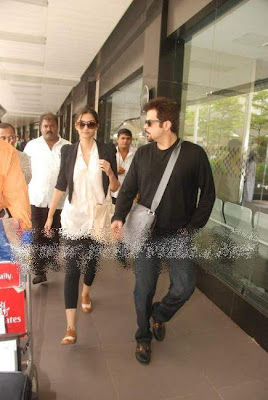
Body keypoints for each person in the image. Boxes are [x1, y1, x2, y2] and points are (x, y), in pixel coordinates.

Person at [111, 97, 215, 364]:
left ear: (166, 124)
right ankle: (143, 337)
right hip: (147, 235)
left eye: (149, 122)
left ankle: (159, 315)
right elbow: (128, 189)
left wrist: (192, 226)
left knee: (184, 286)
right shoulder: (143, 155)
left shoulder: (194, 154)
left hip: (177, 234)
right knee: (143, 289)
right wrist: (118, 217)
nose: (144, 127)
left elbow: (208, 195)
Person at [44, 105, 119, 345]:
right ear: (76, 126)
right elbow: (60, 185)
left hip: (97, 217)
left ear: (96, 127)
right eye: (82, 124)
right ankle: (70, 327)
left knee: (93, 261)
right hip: (74, 218)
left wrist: (110, 173)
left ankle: (86, 292)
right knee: (72, 269)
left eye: (91, 124)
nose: (86, 128)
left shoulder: (107, 149)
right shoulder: (68, 151)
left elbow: (117, 188)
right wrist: (49, 216)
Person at [24, 113, 70, 284]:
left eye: (52, 125)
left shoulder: (67, 146)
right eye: (45, 126)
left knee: (54, 235)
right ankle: (39, 270)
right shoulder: (32, 146)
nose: (49, 128)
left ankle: (49, 257)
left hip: (59, 202)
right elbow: (25, 171)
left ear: (57, 126)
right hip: (36, 198)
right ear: (40, 127)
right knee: (37, 235)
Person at [0, 140, 31, 230]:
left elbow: (16, 196)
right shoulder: (6, 150)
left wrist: (24, 227)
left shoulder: (6, 151)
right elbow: (16, 197)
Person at [111, 128, 136, 202]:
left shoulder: (136, 154)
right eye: (123, 138)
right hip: (113, 194)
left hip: (130, 195)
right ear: (117, 140)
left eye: (128, 138)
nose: (125, 141)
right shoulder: (111, 153)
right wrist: (114, 170)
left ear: (131, 140)